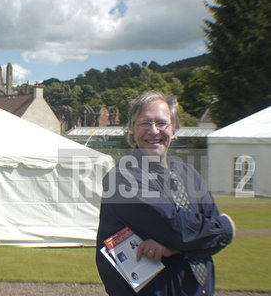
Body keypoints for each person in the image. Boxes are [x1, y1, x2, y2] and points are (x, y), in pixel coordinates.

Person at [96, 91, 236, 296]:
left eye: (162, 123)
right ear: (132, 129)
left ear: (175, 128)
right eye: (144, 123)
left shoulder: (190, 175)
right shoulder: (123, 178)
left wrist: (175, 249)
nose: (153, 131)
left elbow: (203, 232)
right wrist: (225, 228)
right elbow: (175, 227)